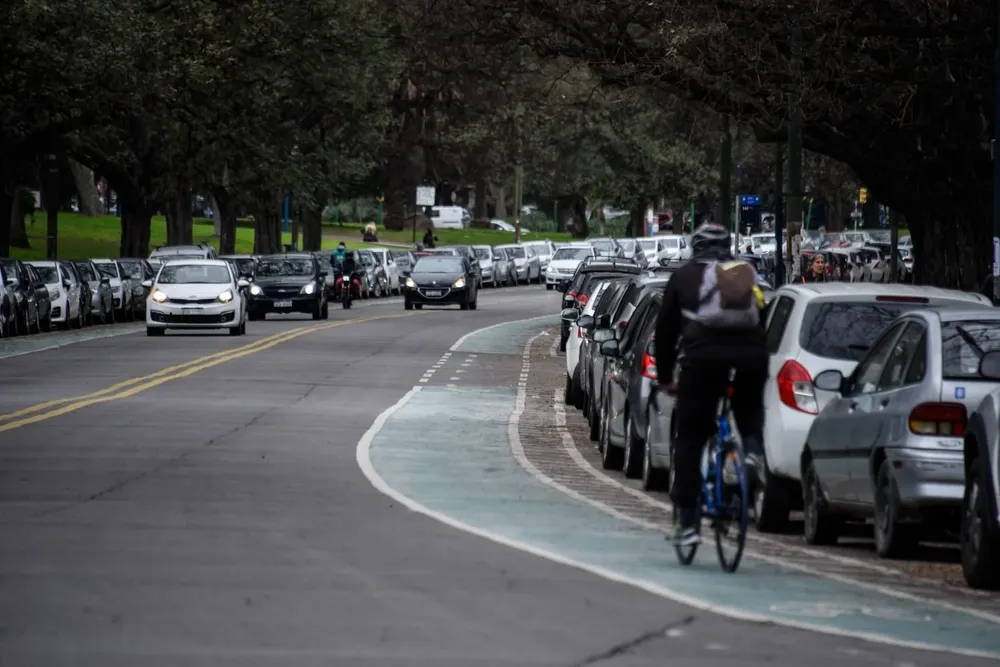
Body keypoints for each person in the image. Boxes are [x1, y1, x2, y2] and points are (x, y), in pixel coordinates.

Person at [654, 222, 769, 548]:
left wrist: (666, 378)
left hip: (702, 361)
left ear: (696, 248)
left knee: (691, 437)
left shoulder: (684, 277)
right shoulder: (746, 273)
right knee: (748, 409)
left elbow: (665, 333)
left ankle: (688, 522)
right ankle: (752, 452)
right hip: (751, 357)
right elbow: (762, 318)